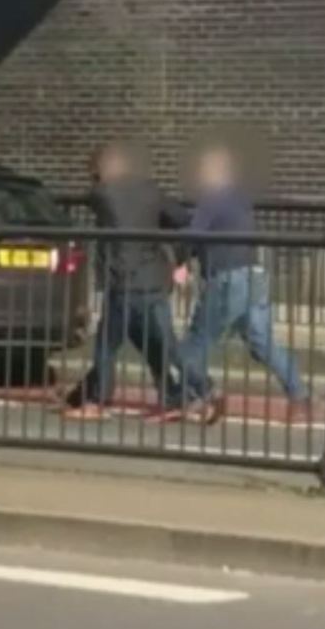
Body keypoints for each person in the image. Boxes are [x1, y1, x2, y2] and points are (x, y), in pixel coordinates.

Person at [167, 142, 311, 421]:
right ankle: (300, 397)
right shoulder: (239, 198)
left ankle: (202, 396)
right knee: (262, 343)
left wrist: (179, 258)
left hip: (226, 279)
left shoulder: (212, 197)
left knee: (193, 345)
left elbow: (195, 234)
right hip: (252, 275)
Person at [65, 141, 193, 421]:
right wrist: (179, 257)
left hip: (122, 282)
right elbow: (182, 219)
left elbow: (95, 197)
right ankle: (178, 397)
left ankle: (96, 401)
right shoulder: (151, 190)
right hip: (153, 281)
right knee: (158, 346)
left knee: (106, 346)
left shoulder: (103, 194)